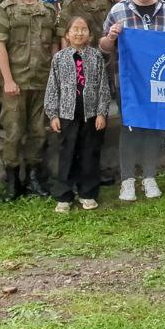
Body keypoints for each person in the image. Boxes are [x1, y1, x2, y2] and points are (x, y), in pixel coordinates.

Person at [99, 0, 165, 201]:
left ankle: (150, 176)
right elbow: (103, 47)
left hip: (157, 82)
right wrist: (111, 37)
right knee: (130, 127)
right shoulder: (118, 10)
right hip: (129, 83)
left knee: (153, 127)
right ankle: (128, 180)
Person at [0, 0, 60, 200]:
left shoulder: (48, 10)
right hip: (16, 82)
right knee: (13, 131)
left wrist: (54, 75)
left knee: (38, 131)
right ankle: (13, 181)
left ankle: (33, 177)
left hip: (41, 80)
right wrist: (8, 79)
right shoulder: (6, 9)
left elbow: (54, 44)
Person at [44, 17, 110, 213]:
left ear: (90, 34)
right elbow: (52, 87)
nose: (79, 33)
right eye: (75, 29)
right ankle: (64, 195)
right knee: (67, 153)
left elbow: (103, 87)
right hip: (67, 114)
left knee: (90, 153)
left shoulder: (96, 57)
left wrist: (101, 113)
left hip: (91, 114)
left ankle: (87, 193)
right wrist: (53, 114)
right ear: (67, 34)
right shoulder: (59, 58)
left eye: (83, 29)